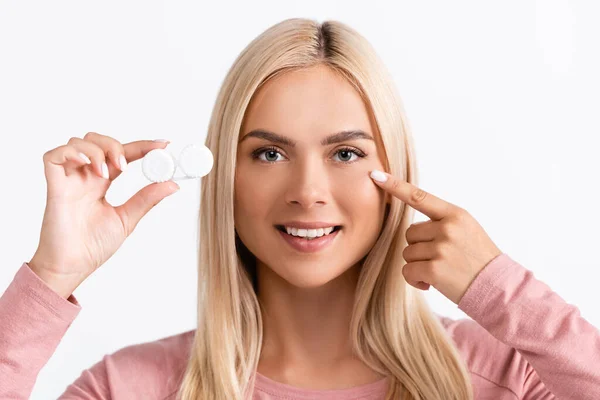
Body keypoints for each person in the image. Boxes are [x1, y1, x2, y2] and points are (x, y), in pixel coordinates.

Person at [1, 17, 599, 400]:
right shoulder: (130, 389)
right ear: (224, 178)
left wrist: (501, 288)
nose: (308, 190)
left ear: (396, 173)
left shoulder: (505, 380)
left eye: (344, 152)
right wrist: (51, 277)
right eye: (267, 154)